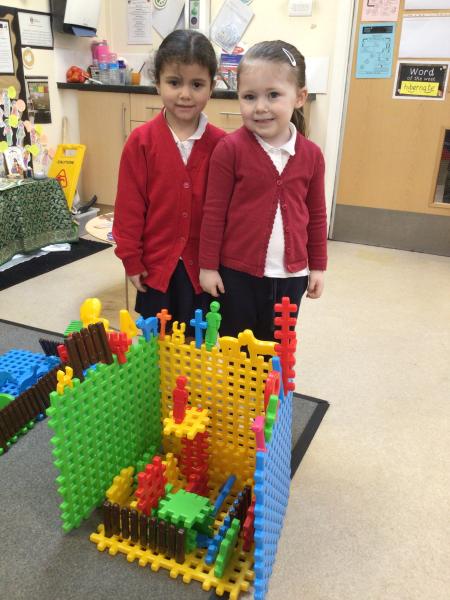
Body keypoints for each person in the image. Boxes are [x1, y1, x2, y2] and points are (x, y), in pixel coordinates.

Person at [199, 40, 328, 341]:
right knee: (236, 347)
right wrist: (208, 267)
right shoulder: (229, 149)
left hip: (292, 277)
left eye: (273, 95)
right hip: (237, 275)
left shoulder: (311, 155)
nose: (260, 107)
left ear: (300, 97)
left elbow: (317, 216)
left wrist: (318, 266)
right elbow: (214, 213)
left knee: (277, 347)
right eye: (249, 96)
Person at [112, 30, 226, 330]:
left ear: (212, 87)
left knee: (198, 344)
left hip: (204, 272)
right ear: (157, 83)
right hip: (156, 269)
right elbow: (129, 208)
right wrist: (131, 260)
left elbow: (229, 213)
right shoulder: (141, 141)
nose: (185, 94)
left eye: (197, 84)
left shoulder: (223, 145)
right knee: (156, 345)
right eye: (174, 82)